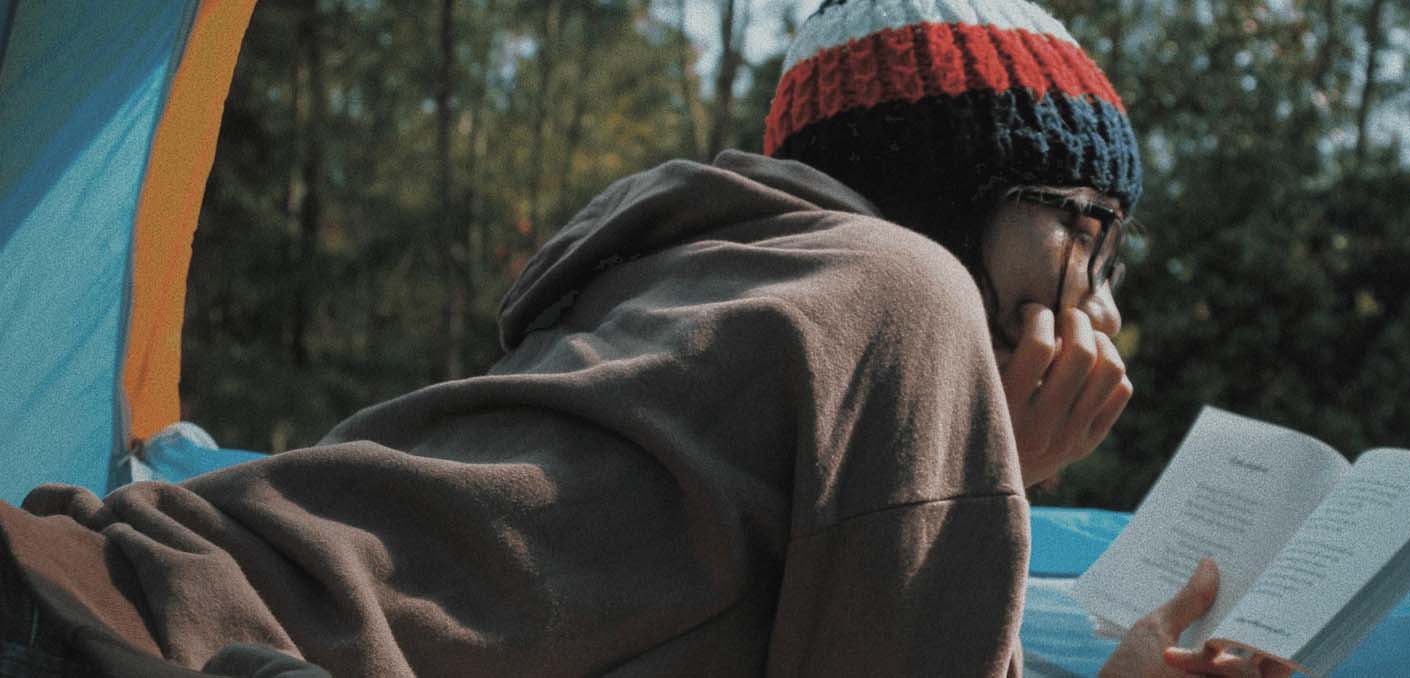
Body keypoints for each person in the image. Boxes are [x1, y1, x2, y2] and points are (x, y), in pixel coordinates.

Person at [0, 0, 1288, 676]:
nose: (1106, 302)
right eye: (1085, 231)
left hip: (92, 598)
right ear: (956, 195)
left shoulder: (716, 291)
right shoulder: (903, 293)